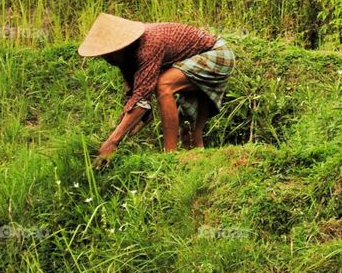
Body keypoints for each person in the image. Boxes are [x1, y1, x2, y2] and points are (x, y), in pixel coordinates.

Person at [77, 13, 235, 164]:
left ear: (120, 46)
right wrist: (125, 130)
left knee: (164, 85)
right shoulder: (126, 57)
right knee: (191, 138)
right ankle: (200, 169)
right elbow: (136, 97)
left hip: (217, 54)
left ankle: (169, 156)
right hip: (191, 61)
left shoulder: (148, 44)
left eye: (110, 54)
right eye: (104, 55)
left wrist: (112, 141)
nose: (108, 59)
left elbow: (141, 100)